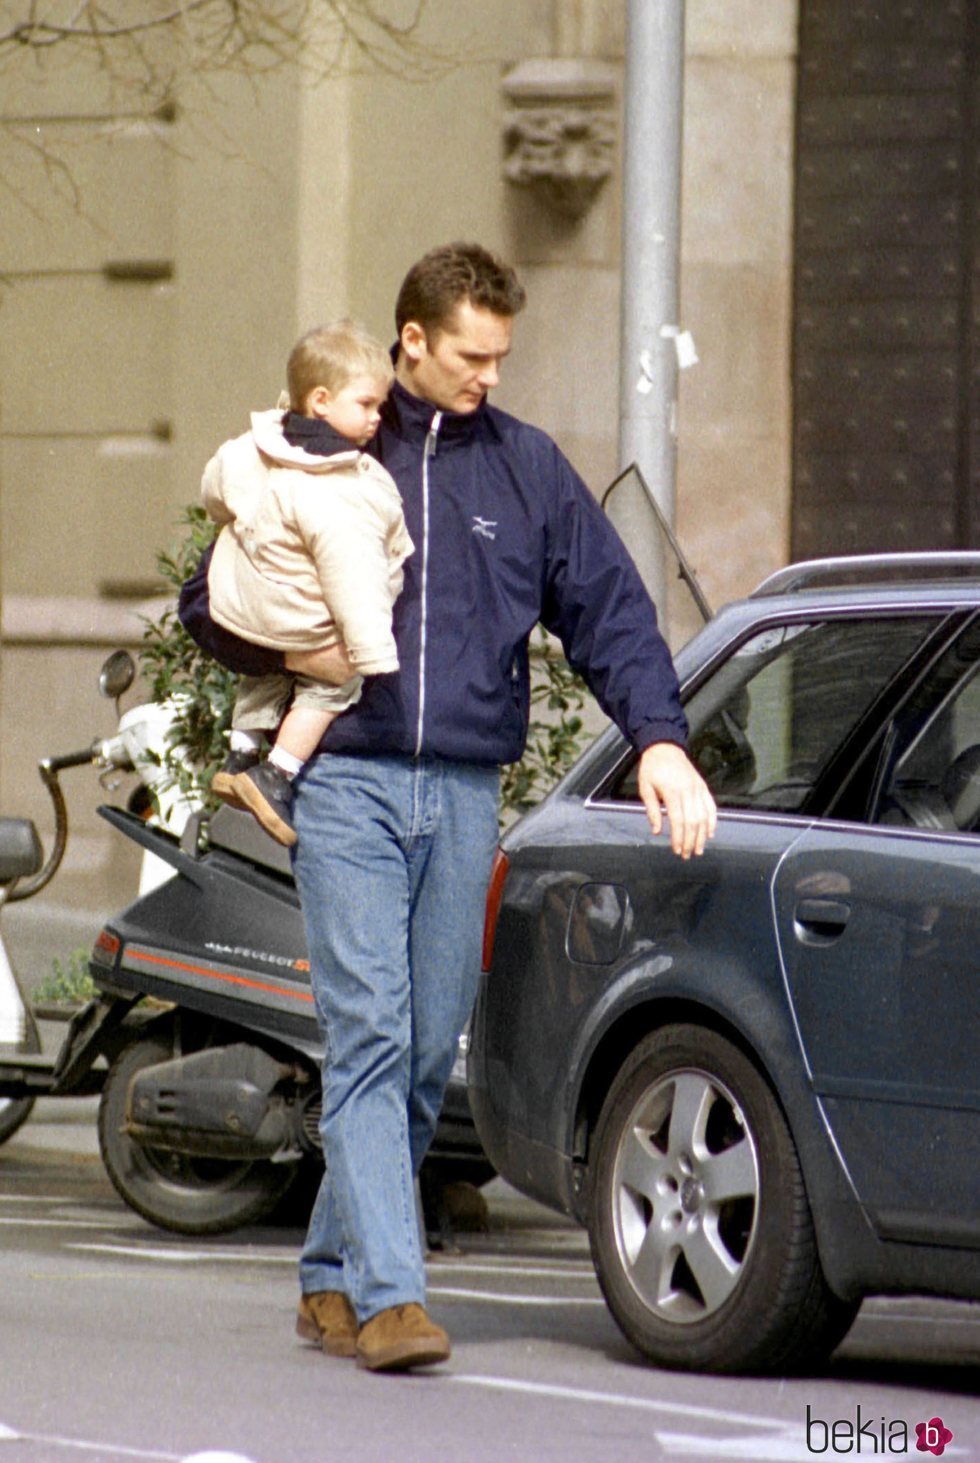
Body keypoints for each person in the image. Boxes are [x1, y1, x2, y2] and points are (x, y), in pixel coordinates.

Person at [181, 242, 716, 1373]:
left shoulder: (525, 468)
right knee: (372, 1029)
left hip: (466, 787)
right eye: (471, 355)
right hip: (348, 781)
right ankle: (389, 1297)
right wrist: (283, 642)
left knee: (425, 1048)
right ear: (410, 339)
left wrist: (660, 739)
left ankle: (328, 1272)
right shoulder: (319, 449)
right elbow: (206, 597)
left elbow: (610, 607)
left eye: (500, 356)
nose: (489, 376)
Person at [201, 320, 413, 846]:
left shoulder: (254, 448)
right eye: (366, 405)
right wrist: (370, 655)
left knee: (270, 667)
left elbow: (214, 488)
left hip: (247, 607)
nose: (376, 418)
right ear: (321, 400)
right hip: (302, 619)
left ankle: (242, 750)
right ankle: (277, 773)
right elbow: (354, 579)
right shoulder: (342, 491)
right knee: (332, 681)